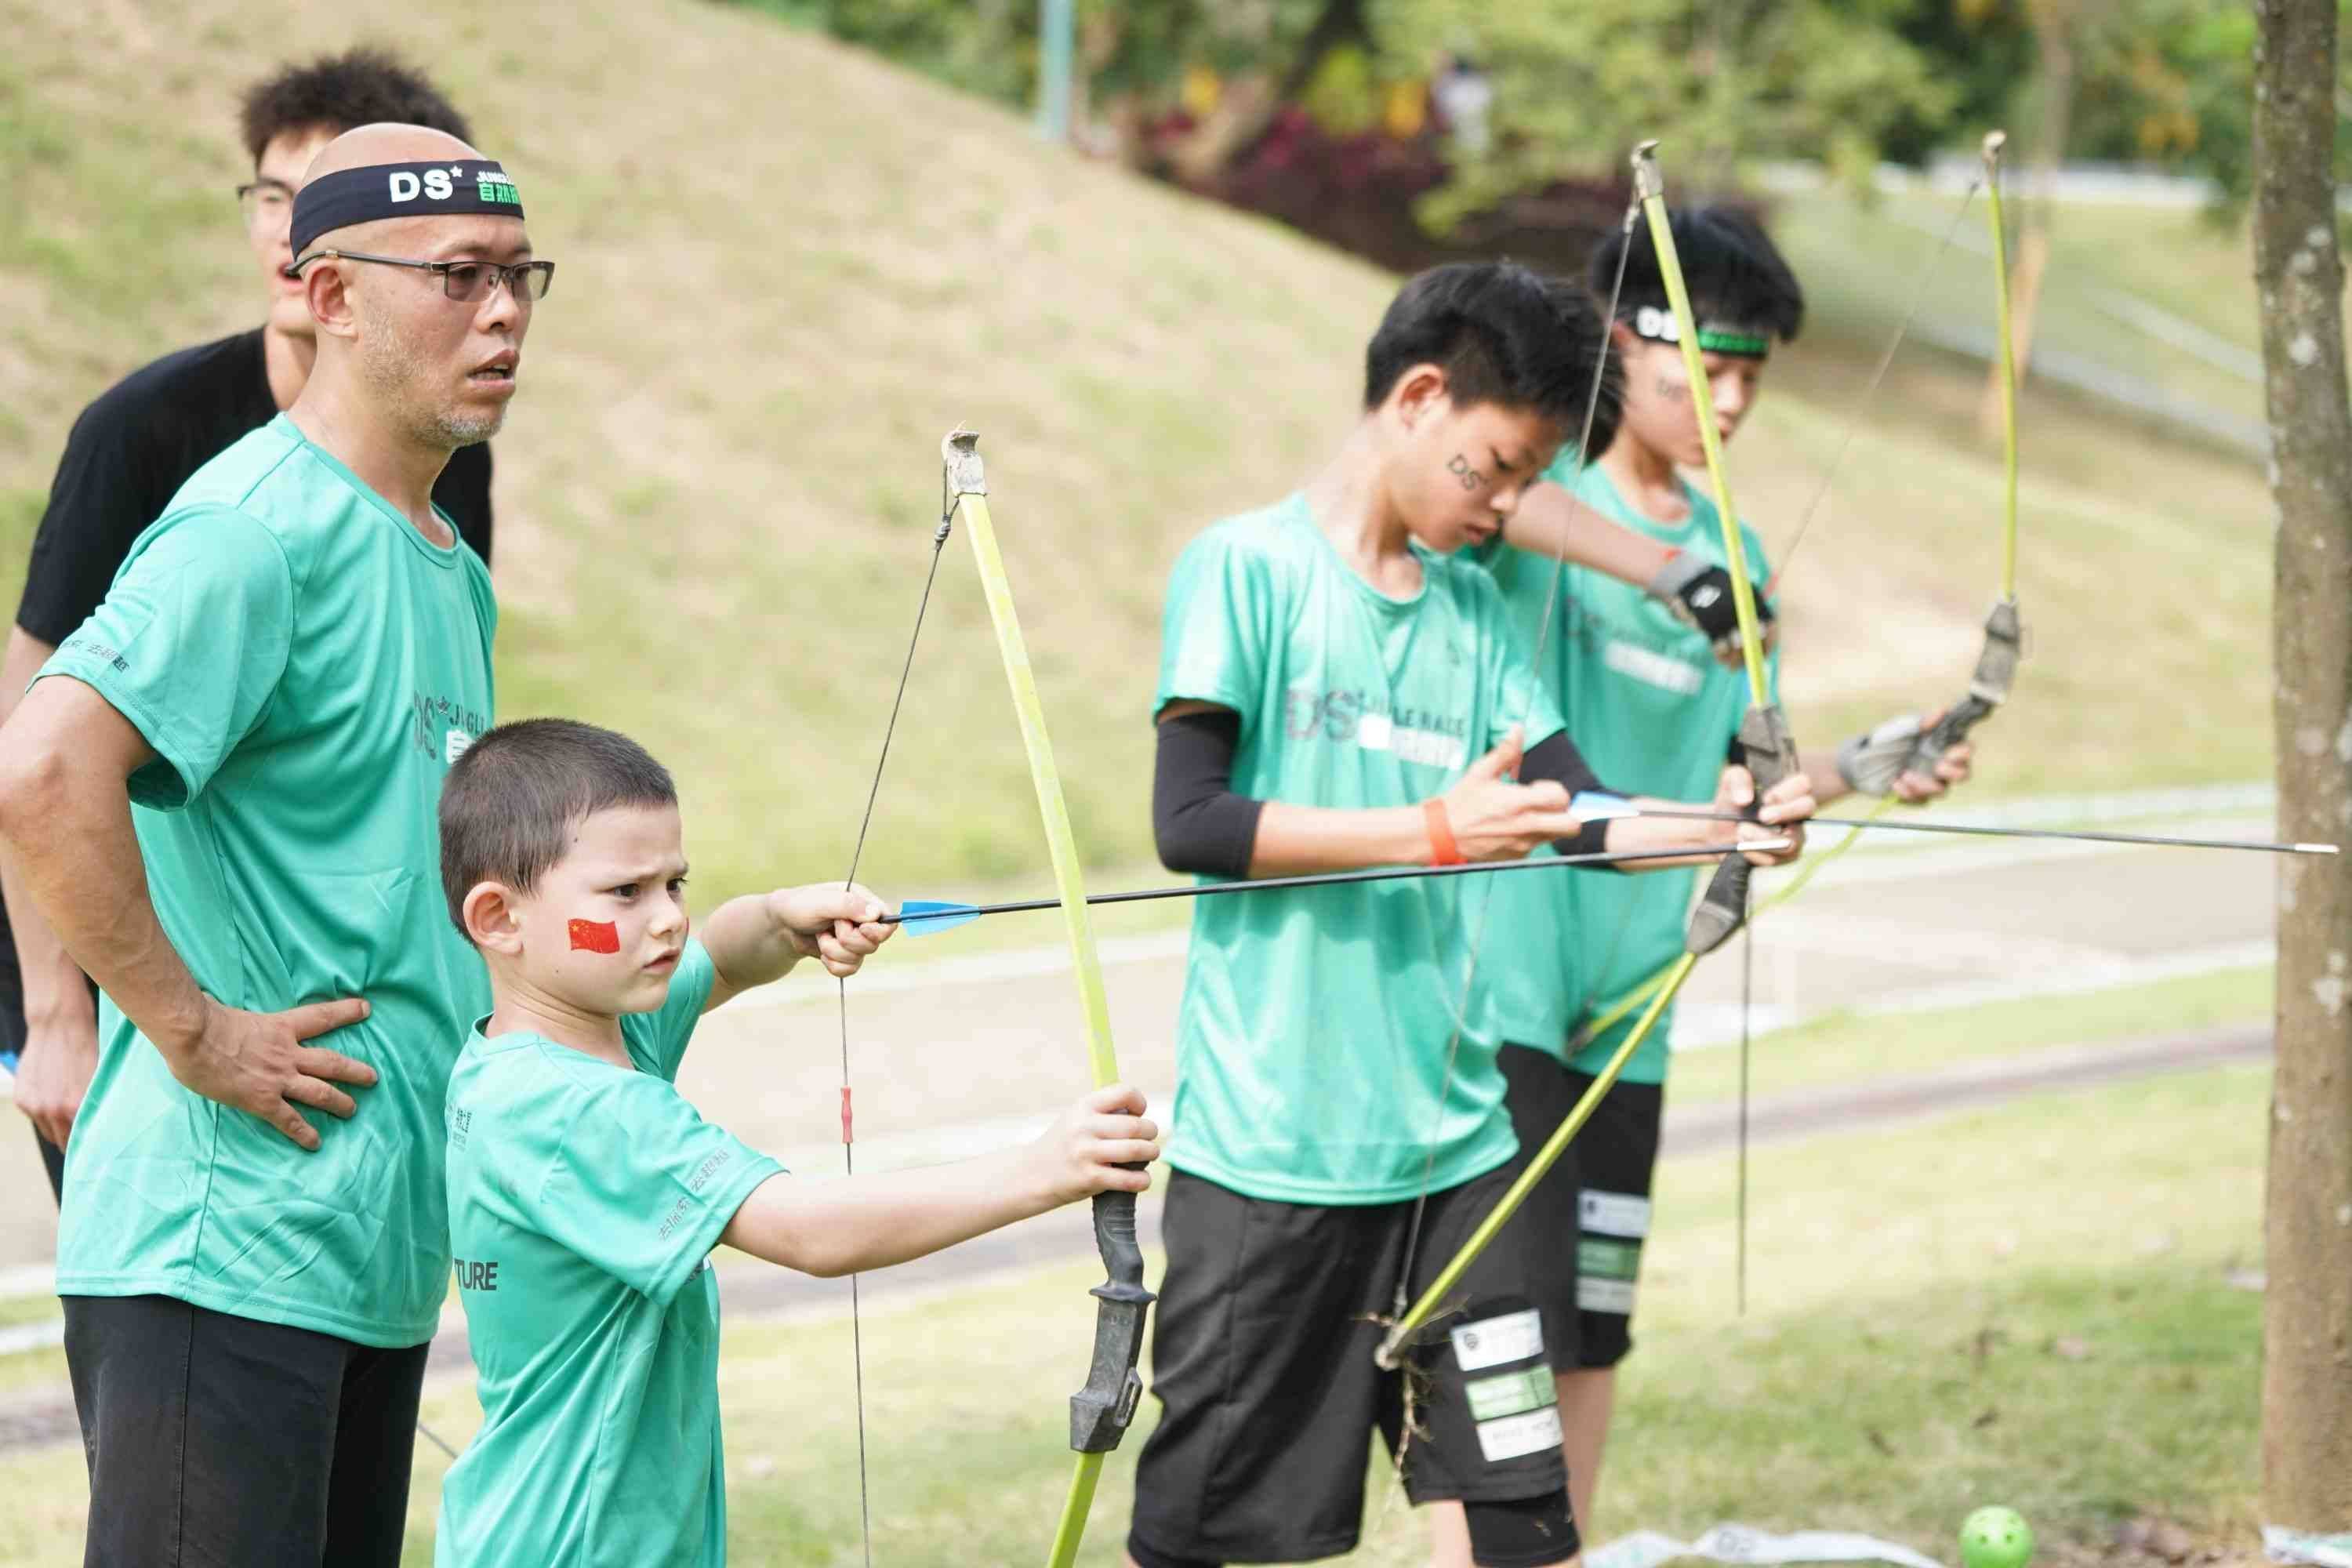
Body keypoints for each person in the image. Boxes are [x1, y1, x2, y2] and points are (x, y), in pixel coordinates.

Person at [1123, 260, 1815, 1568]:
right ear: (1419, 398)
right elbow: (1193, 824)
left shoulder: (1475, 610)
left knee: (1521, 1530)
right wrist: (1433, 833)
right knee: (1219, 1543)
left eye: (1526, 480)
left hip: (1459, 1161)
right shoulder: (1245, 571)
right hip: (1274, 1160)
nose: (1504, 507)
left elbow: (1581, 815)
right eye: (1494, 469)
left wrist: (1724, 827)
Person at [0, 121, 539, 1566]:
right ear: (328, 292)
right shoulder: (252, 529)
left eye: (518, 276)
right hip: (217, 1247)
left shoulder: (444, 566)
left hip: (363, 1254)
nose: (500, 315)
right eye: (456, 278)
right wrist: (184, 1028)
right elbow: (44, 764)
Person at [1448, 206, 1976, 1556]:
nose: (1729, 403)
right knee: (1487, 1345)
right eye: (1703, 372)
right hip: (1504, 983)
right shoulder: (1540, 488)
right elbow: (1507, 502)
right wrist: (1662, 562)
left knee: (1592, 1327)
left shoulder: (1739, 563)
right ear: (1619, 346)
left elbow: (1749, 780)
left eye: (1753, 379)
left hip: (1637, 999)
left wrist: (1864, 766)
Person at [429, 717, 1161, 1567]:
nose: (667, 916)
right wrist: (1043, 1169)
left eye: (676, 881)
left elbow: (725, 957)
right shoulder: (578, 1110)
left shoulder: (562, 1041)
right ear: (499, 917)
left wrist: (780, 920)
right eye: (624, 892)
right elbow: (809, 1230)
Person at [0, 47, 486, 1203]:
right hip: (127, 996)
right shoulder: (150, 431)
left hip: (347, 1058)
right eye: (272, 196)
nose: (286, 232)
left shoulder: (442, 445)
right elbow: (35, 741)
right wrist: (61, 1013)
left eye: (318, 200)